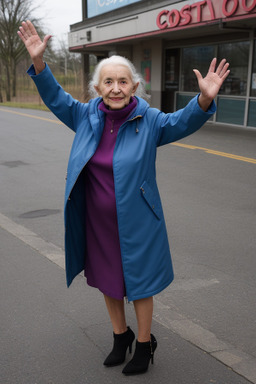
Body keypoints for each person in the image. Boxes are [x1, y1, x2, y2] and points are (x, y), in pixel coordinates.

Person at [18, 20, 230, 376]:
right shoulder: (84, 116)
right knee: (107, 280)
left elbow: (182, 121)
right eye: (108, 81)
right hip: (98, 221)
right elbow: (55, 97)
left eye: (123, 81)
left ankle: (144, 344)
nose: (116, 88)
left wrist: (204, 99)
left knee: (140, 284)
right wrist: (40, 64)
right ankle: (121, 336)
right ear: (98, 87)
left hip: (139, 221)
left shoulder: (150, 122)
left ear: (134, 86)